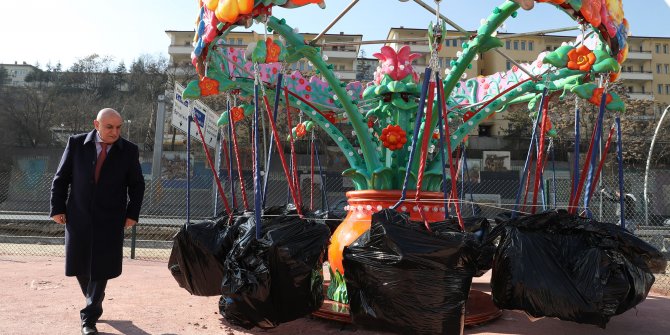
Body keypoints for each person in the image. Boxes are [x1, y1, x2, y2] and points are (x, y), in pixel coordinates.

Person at [50, 108, 145, 335]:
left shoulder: (129, 151)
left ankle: (89, 318)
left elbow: (137, 185)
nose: (115, 132)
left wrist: (132, 214)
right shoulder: (76, 144)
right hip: (78, 214)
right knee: (79, 264)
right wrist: (57, 208)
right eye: (109, 127)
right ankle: (94, 299)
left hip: (111, 218)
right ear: (96, 124)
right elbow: (61, 178)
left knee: (101, 266)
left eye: (119, 127)